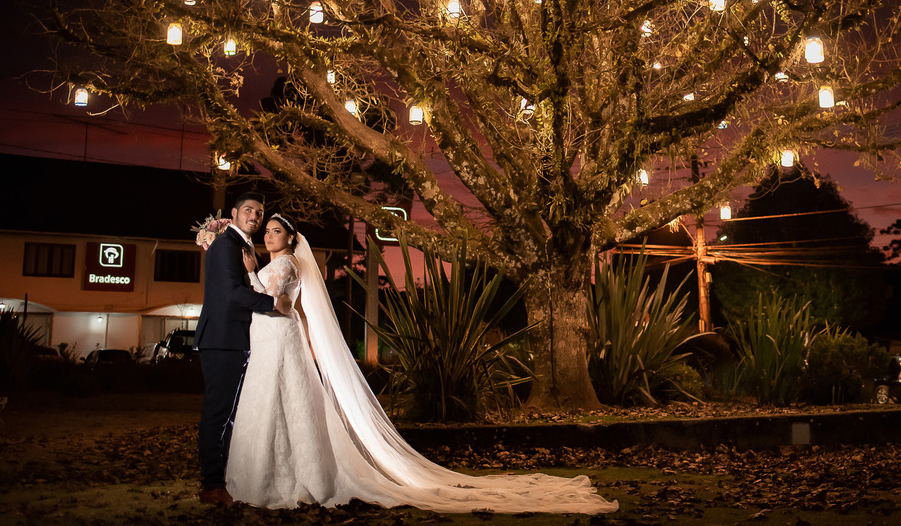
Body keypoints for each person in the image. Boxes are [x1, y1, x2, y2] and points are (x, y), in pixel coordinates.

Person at [225, 213, 618, 514]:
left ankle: (287, 476)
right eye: (268, 231)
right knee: (280, 405)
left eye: (277, 231)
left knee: (285, 403)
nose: (269, 235)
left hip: (280, 338)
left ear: (291, 238)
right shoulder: (277, 264)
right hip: (273, 340)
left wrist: (249, 276)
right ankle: (277, 471)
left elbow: (274, 303)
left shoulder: (286, 264)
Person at [195, 193, 292, 505]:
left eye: (259, 213)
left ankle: (226, 479)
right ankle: (212, 485)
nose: (254, 216)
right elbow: (232, 293)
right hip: (222, 339)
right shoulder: (226, 245)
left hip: (237, 339)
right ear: (234, 213)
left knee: (231, 414)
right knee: (218, 413)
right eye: (248, 210)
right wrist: (274, 303)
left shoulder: (245, 247)